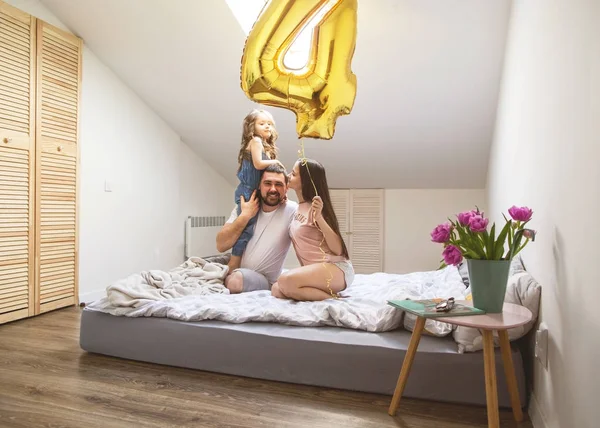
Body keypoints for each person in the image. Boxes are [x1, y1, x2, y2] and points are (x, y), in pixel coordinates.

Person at [271, 159, 354, 301]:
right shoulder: (297, 208)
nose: (289, 175)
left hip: (335, 269)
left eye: (294, 174)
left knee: (285, 281)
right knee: (276, 289)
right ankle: (323, 294)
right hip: (316, 271)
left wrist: (319, 218)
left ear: (305, 181)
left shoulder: (317, 208)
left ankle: (335, 301)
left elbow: (338, 250)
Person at [216, 163, 298, 293]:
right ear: (259, 186)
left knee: (234, 281)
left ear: (286, 188)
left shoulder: (292, 210)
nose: (273, 189)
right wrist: (245, 215)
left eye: (278, 184)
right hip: (237, 268)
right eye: (267, 183)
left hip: (265, 280)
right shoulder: (246, 206)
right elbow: (221, 245)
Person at [229, 109, 284, 274]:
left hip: (254, 191)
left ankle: (244, 265)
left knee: (253, 230)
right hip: (247, 193)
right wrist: (278, 162)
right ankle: (233, 266)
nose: (267, 126)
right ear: (252, 128)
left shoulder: (265, 145)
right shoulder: (256, 141)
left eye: (269, 124)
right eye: (262, 123)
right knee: (246, 230)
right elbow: (259, 164)